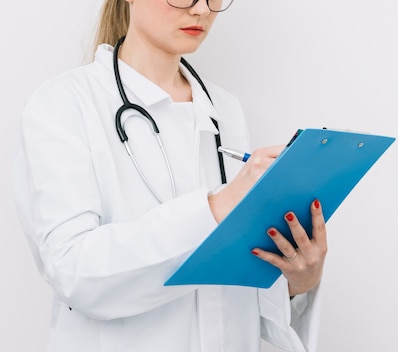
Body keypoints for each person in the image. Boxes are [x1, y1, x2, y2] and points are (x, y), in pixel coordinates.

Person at [11, 0, 327, 351]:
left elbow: (232, 278)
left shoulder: (225, 110)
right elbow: (74, 272)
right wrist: (217, 207)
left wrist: (296, 281)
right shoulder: (61, 105)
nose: (201, 10)